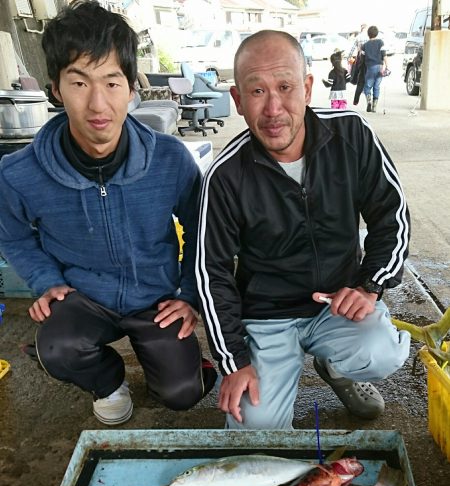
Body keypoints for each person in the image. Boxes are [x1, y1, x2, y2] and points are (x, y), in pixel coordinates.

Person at [0, 0, 216, 425]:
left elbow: (202, 229)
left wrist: (189, 295)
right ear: (56, 89)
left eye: (112, 82)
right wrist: (47, 281)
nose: (98, 104)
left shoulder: (171, 159)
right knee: (57, 346)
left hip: (155, 297)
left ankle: (182, 366)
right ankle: (106, 381)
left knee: (182, 395)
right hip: (82, 298)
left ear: (132, 88)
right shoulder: (17, 172)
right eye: (79, 83)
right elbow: (12, 235)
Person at [196, 30, 410, 430]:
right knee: (255, 429)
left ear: (308, 87)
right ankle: (278, 369)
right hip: (267, 316)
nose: (274, 108)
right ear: (238, 100)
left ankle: (337, 368)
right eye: (257, 91)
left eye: (285, 86)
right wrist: (234, 362)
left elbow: (392, 214)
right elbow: (211, 275)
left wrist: (370, 286)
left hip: (337, 302)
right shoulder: (224, 177)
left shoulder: (352, 134)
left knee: (382, 351)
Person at [361, 25, 388, 112]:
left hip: (370, 67)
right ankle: (374, 106)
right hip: (380, 67)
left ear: (368, 34)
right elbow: (384, 55)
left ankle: (368, 101)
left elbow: (362, 58)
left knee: (367, 86)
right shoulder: (380, 42)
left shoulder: (365, 45)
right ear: (376, 34)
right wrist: (387, 66)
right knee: (377, 86)